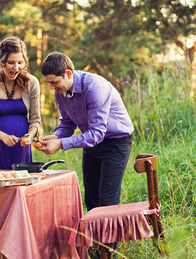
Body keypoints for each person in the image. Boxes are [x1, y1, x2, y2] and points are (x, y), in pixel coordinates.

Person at [38, 52, 133, 211]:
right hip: (92, 143)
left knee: (107, 202)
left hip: (116, 143)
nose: (52, 87)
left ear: (68, 74)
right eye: (49, 83)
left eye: (54, 82)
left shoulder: (95, 87)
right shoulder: (60, 92)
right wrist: (55, 136)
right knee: (91, 199)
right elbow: (68, 123)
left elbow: (97, 133)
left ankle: (112, 236)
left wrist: (61, 143)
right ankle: (95, 236)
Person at [0, 36, 41, 169]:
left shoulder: (31, 83)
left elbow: (35, 121)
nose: (16, 68)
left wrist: (29, 136)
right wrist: (3, 137)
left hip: (20, 150)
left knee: (21, 185)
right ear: (2, 61)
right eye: (11, 62)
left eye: (20, 62)